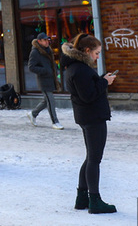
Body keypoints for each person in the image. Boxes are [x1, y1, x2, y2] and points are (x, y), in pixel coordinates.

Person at [62, 33, 117, 214]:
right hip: (93, 117)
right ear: (87, 51)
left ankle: (82, 197)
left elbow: (87, 89)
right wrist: (104, 82)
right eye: (96, 53)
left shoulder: (75, 67)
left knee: (90, 158)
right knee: (94, 159)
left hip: (86, 116)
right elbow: (89, 95)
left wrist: (100, 79)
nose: (98, 56)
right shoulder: (81, 69)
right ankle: (95, 200)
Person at [27, 33, 63, 129]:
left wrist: (54, 68)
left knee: (46, 100)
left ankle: (33, 113)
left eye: (48, 40)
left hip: (50, 78)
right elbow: (31, 67)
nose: (47, 42)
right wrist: (45, 71)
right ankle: (55, 121)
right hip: (43, 80)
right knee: (51, 101)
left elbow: (50, 63)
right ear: (39, 41)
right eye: (45, 40)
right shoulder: (35, 52)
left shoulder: (47, 50)